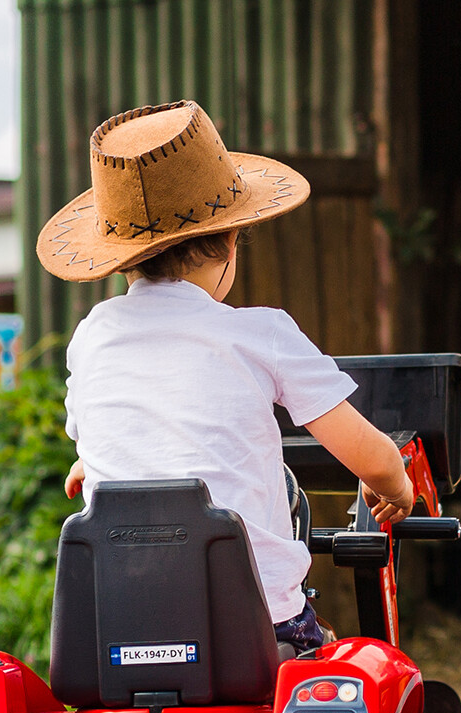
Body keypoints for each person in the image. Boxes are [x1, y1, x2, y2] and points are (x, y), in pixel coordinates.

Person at [40, 101, 414, 655]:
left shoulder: (92, 335)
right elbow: (375, 458)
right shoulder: (260, 334)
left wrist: (90, 461)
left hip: (116, 631)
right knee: (334, 655)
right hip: (256, 630)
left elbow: (109, 428)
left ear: (121, 260)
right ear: (231, 240)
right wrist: (394, 487)